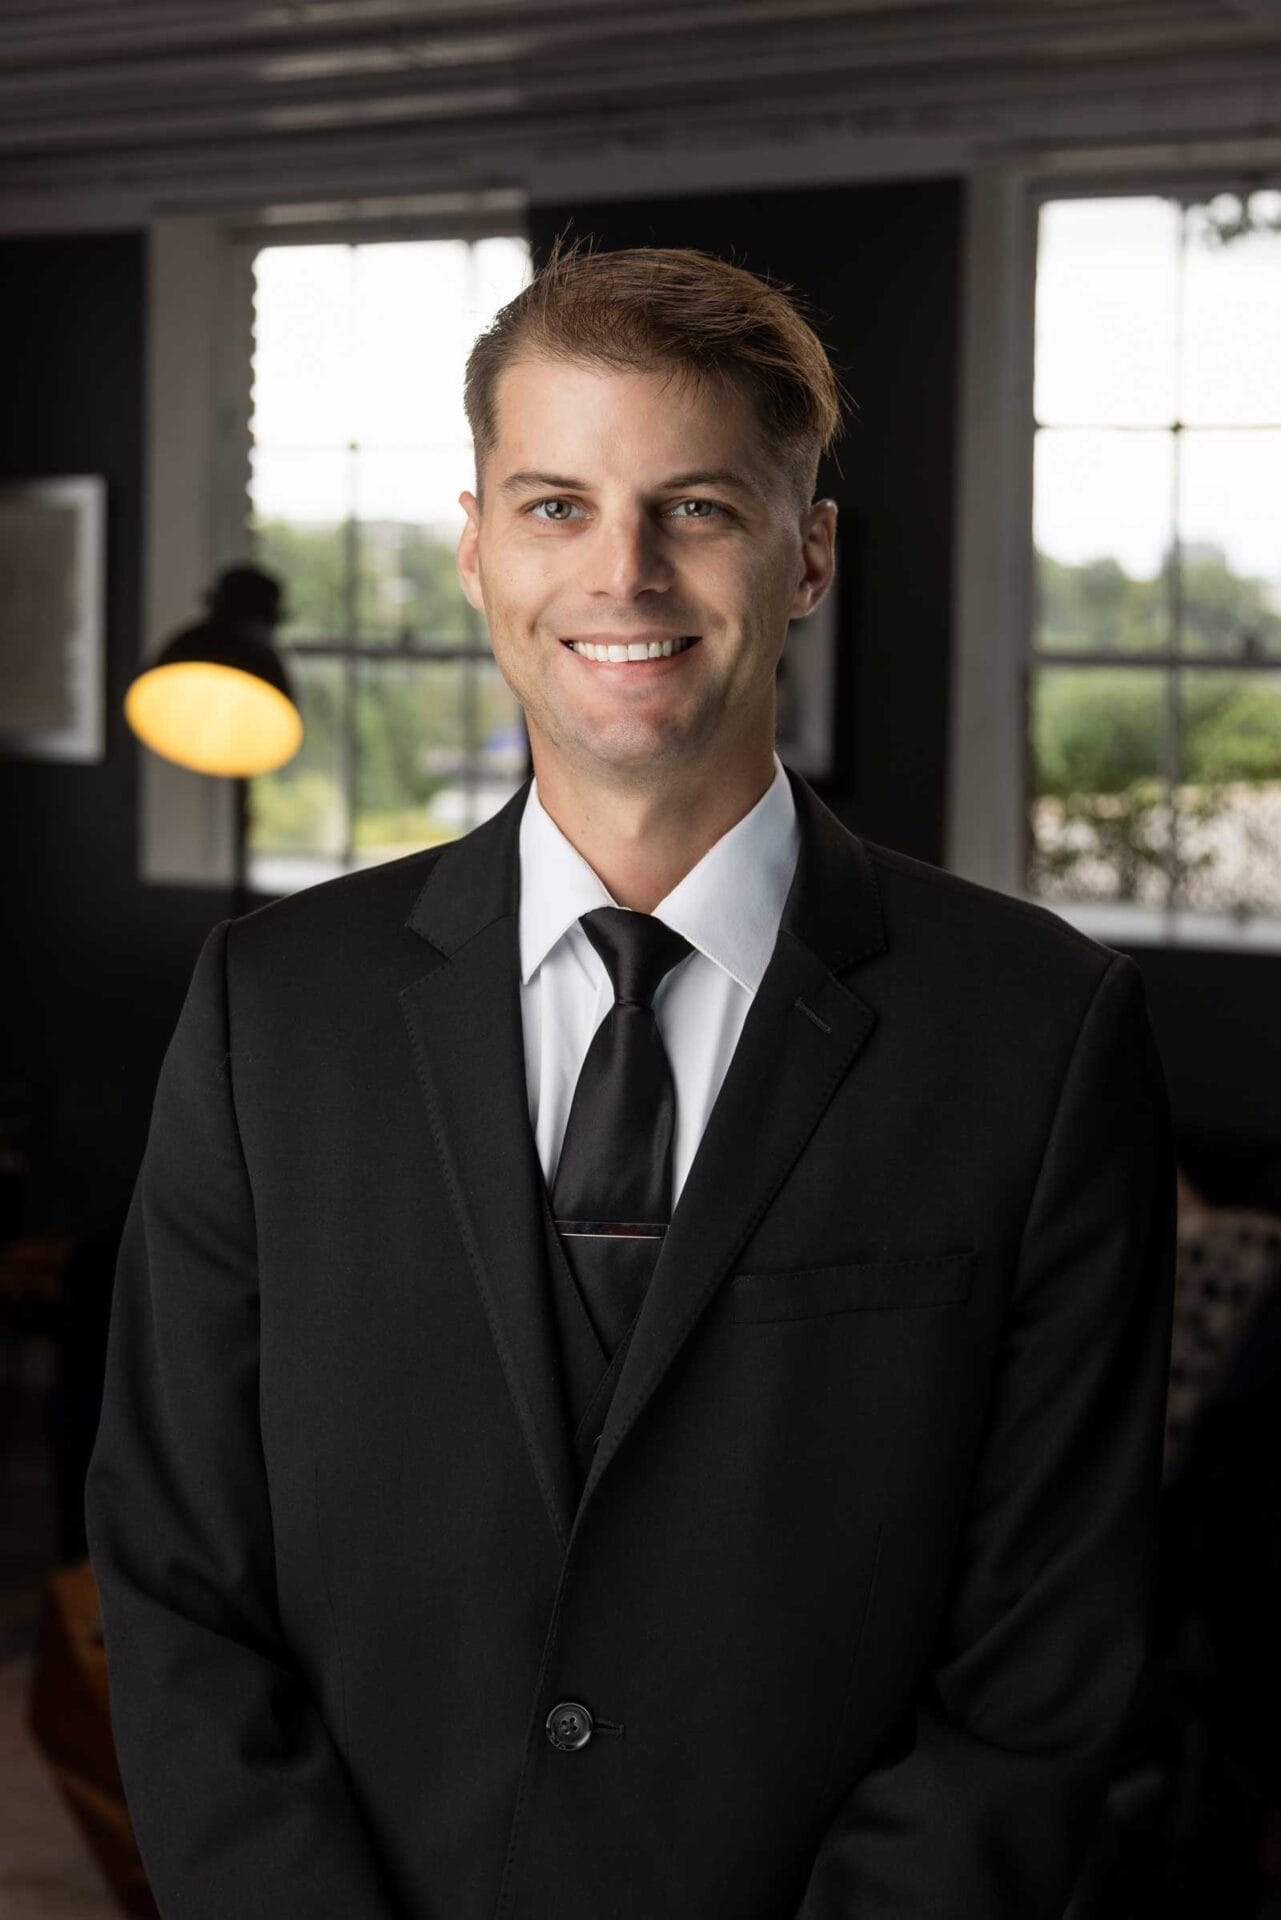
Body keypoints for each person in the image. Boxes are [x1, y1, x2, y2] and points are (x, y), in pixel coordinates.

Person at [85, 236, 1177, 1920]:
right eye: (553, 505)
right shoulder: (268, 1012)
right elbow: (174, 1580)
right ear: (470, 549)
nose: (625, 576)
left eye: (697, 508)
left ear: (805, 553)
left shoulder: (1035, 1032)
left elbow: (1046, 1662)